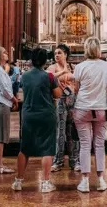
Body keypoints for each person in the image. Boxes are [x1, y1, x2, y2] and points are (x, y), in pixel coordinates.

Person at [12, 48, 63, 193]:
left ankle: (18, 181)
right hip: (46, 114)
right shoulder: (49, 76)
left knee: (25, 149)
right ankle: (45, 183)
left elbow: (22, 90)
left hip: (29, 114)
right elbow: (57, 94)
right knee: (47, 148)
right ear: (45, 61)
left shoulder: (24, 76)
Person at [68, 37, 107, 192]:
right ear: (99, 49)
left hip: (83, 108)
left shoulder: (80, 67)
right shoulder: (106, 66)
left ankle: (85, 181)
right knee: (99, 144)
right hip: (101, 108)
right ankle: (101, 180)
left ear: (86, 49)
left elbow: (76, 88)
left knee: (85, 145)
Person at [47, 44, 79, 172]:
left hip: (72, 100)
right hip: (59, 101)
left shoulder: (73, 67)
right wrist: (63, 72)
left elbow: (77, 81)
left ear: (65, 54)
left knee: (72, 132)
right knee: (60, 132)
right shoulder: (52, 67)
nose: (56, 55)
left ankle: (74, 161)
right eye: (55, 53)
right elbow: (49, 77)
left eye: (59, 53)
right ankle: (58, 161)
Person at [0, 46, 18, 174]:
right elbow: (5, 89)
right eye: (4, 52)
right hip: (1, 104)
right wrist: (14, 99)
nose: (7, 54)